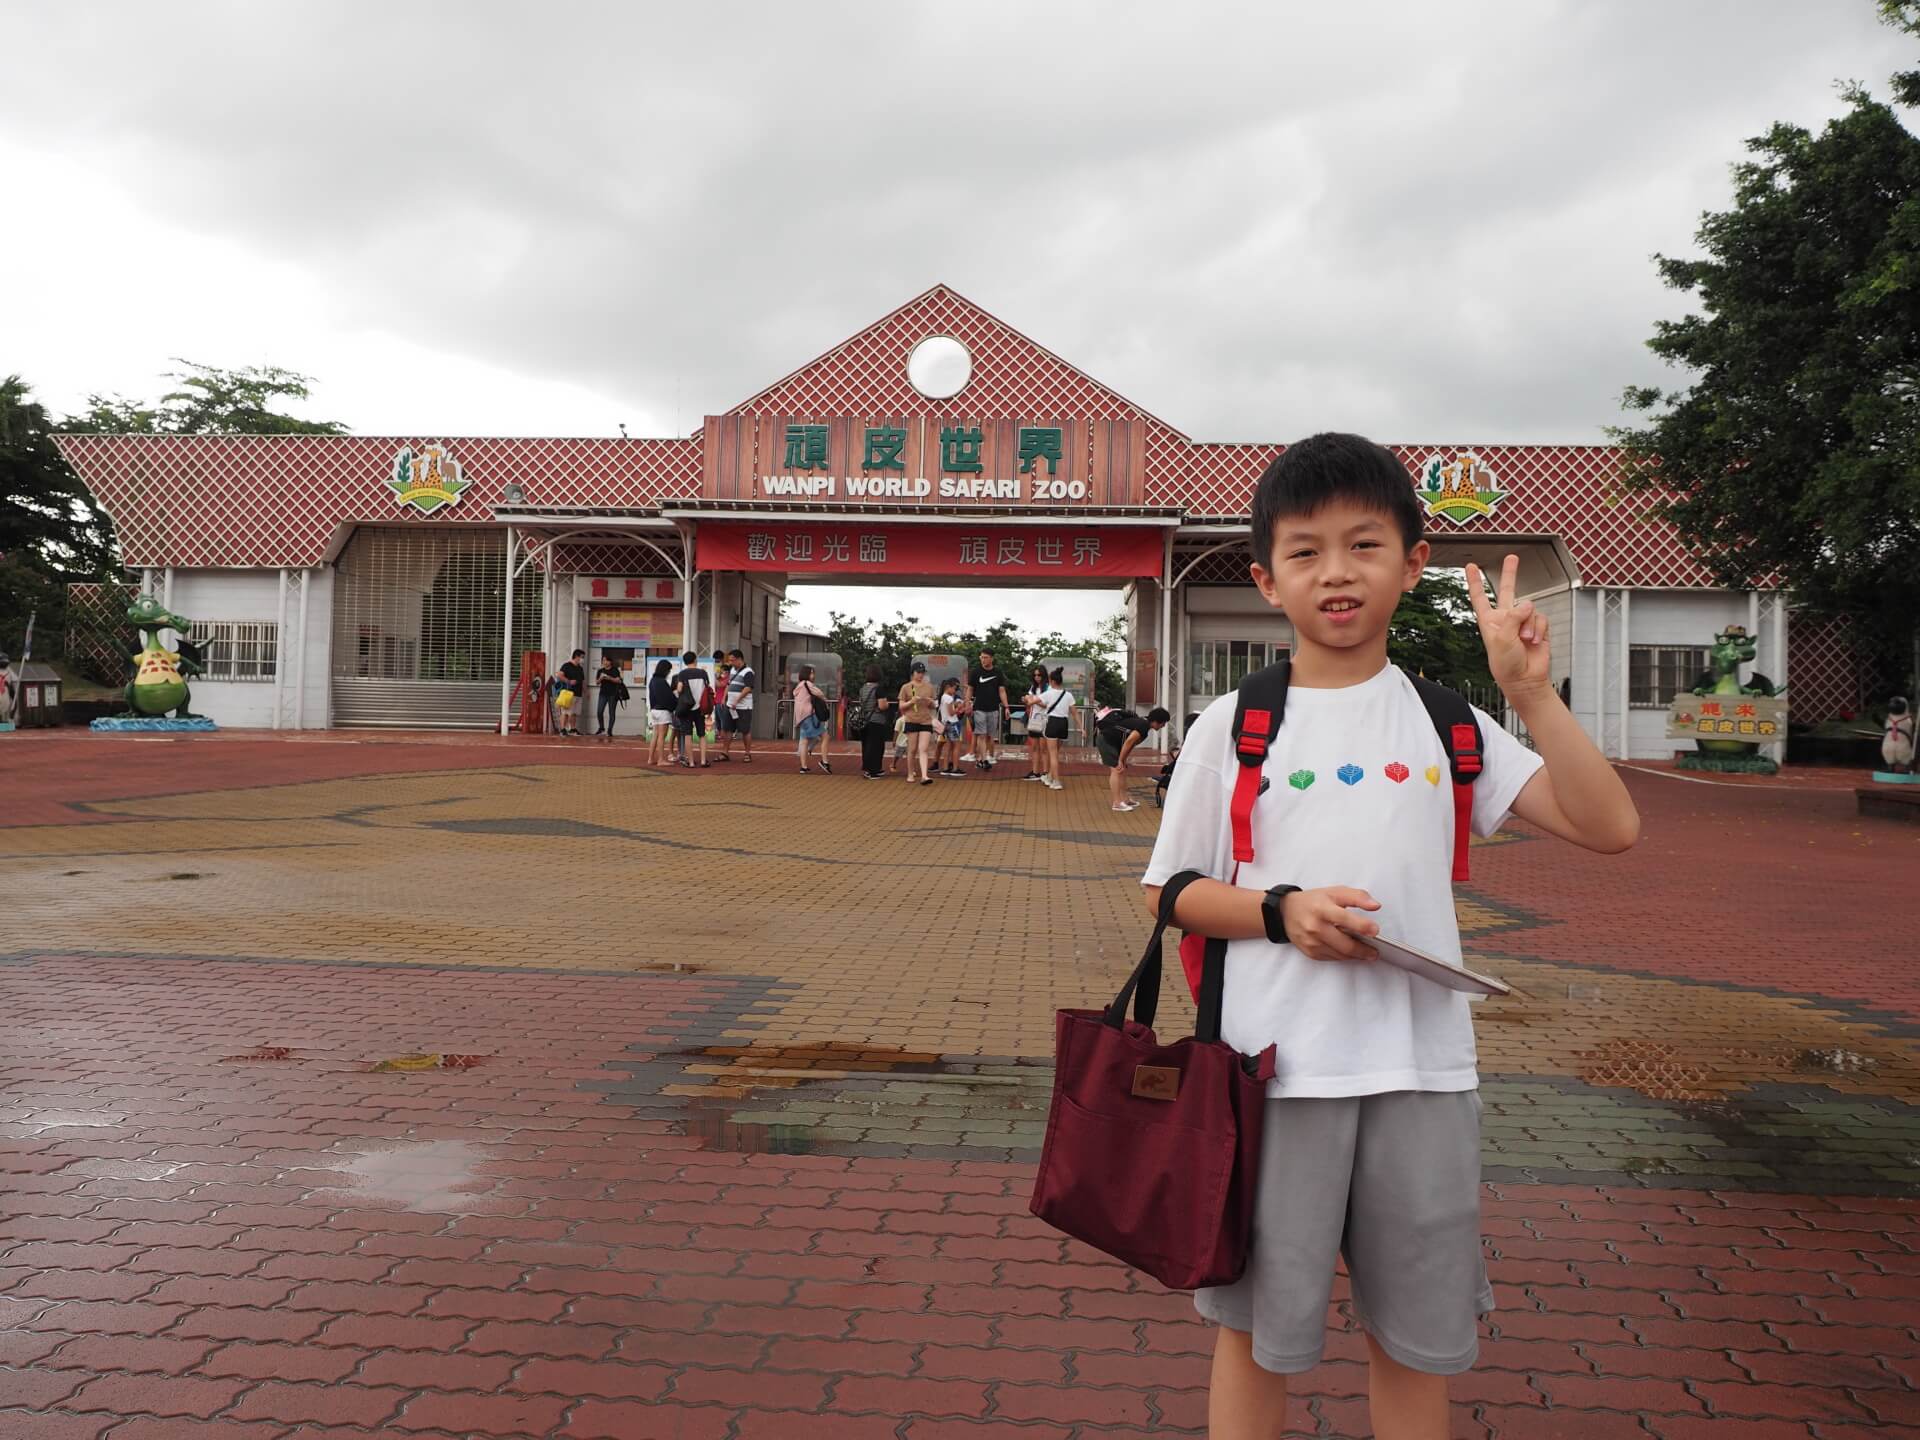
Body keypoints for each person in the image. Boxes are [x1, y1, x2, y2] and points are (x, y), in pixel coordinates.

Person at [1141, 433, 1638, 1440]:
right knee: (1252, 1330)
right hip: (1270, 1076)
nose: (1336, 572)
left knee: (1415, 1337)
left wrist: (1532, 693)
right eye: (1306, 550)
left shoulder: (1448, 722)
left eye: (1364, 545)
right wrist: (1282, 911)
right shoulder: (1234, 726)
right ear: (1266, 579)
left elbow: (1609, 826)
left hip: (1424, 1073)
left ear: (1413, 564)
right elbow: (1173, 893)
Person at [1096, 706, 1171, 811]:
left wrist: (1123, 760)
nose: (1163, 726)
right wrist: (1120, 760)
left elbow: (1130, 745)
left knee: (1122, 769)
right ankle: (1117, 803)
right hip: (1107, 741)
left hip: (1114, 743)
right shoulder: (1143, 726)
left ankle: (1125, 799)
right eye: (1163, 723)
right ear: (1156, 721)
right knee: (1116, 769)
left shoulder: (1144, 723)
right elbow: (1129, 742)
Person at [967, 649, 1009, 771]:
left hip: (993, 708)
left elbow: (1002, 690)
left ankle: (981, 759)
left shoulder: (998, 673)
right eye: (981, 657)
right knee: (981, 734)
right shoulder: (976, 672)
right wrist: (967, 704)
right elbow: (970, 689)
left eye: (985, 657)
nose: (983, 659)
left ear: (991, 658)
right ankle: (984, 759)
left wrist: (1006, 707)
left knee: (990, 735)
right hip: (979, 708)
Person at [897, 660, 937, 785]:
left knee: (923, 748)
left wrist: (930, 702)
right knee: (912, 749)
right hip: (911, 720)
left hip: (925, 721)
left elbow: (933, 705)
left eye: (922, 673)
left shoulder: (929, 687)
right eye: (918, 672)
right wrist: (911, 702)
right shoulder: (906, 687)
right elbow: (901, 706)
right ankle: (910, 773)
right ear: (913, 673)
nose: (921, 675)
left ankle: (924, 776)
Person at [671, 649, 712, 767]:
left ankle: (691, 762)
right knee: (702, 735)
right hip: (700, 708)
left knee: (688, 734)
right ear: (695, 660)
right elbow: (707, 688)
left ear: (684, 662)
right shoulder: (703, 673)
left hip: (686, 708)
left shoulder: (683, 674)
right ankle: (704, 760)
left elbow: (679, 689)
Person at [1034, 667, 1072, 791]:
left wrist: (1026, 699)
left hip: (1053, 723)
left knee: (1053, 755)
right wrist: (1082, 728)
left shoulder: (1048, 693)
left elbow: (1033, 701)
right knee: (1056, 753)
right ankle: (1050, 776)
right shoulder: (1068, 694)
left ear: (1052, 681)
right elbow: (1075, 712)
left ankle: (1056, 781)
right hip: (1064, 724)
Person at [792, 663, 833, 774]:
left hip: (801, 717)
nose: (813, 675)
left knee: (804, 741)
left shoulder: (799, 686)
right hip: (809, 716)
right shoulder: (807, 684)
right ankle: (825, 762)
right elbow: (819, 693)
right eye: (812, 673)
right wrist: (824, 699)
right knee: (825, 736)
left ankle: (804, 767)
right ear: (808, 674)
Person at [855, 664, 892, 779]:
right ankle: (873, 770)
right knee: (876, 746)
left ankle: (868, 769)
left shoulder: (863, 689)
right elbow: (882, 706)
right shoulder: (878, 689)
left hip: (864, 720)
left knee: (866, 746)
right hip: (876, 720)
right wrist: (887, 704)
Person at [723, 648, 756, 762]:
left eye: (732, 660)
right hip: (730, 705)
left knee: (745, 730)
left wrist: (737, 700)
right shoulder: (732, 670)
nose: (730, 663)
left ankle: (747, 753)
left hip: (743, 707)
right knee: (728, 729)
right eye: (730, 660)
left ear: (739, 659)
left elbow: (748, 688)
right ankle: (725, 752)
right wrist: (724, 698)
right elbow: (728, 684)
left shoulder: (748, 672)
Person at [1021, 664, 1050, 781]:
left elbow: (1046, 704)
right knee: (1034, 747)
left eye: (1039, 675)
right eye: (1035, 675)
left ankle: (1046, 772)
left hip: (1044, 719)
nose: (1037, 677)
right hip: (1033, 719)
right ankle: (1035, 771)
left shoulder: (1048, 688)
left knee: (1044, 748)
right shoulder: (1033, 687)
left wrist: (1033, 701)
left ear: (1044, 676)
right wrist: (1026, 699)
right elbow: (1029, 700)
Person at [936, 676, 968, 777]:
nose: (955, 691)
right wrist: (959, 708)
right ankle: (955, 768)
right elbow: (951, 712)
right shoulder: (949, 698)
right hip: (952, 723)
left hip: (946, 724)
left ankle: (945, 768)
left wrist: (958, 705)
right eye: (954, 688)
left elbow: (947, 709)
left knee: (948, 746)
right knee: (957, 746)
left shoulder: (943, 697)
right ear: (948, 687)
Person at [646, 659, 676, 766]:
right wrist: (674, 706)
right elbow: (668, 698)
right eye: (668, 670)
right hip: (663, 711)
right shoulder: (662, 682)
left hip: (654, 710)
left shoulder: (652, 680)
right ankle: (660, 759)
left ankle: (650, 758)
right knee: (662, 736)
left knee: (655, 735)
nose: (669, 672)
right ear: (665, 670)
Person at [555, 649, 586, 737]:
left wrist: (586, 691)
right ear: (576, 657)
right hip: (568, 693)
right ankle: (563, 729)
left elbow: (583, 681)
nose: (582, 659)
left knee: (574, 713)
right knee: (565, 712)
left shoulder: (580, 668)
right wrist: (568, 681)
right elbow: (559, 675)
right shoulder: (567, 665)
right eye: (582, 657)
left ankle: (572, 729)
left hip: (578, 693)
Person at [593, 655, 625, 741]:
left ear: (610, 662)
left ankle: (610, 730)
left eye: (606, 660)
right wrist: (600, 678)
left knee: (611, 712)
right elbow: (596, 682)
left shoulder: (614, 670)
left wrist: (608, 677)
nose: (604, 662)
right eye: (603, 660)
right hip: (603, 693)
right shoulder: (600, 670)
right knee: (599, 711)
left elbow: (618, 680)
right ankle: (601, 727)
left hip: (613, 694)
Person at [710, 654, 734, 759]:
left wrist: (714, 677)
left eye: (724, 671)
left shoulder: (728, 679)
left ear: (728, 672)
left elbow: (720, 685)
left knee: (724, 722)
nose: (723, 673)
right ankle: (720, 734)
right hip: (717, 702)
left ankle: (724, 736)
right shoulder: (720, 677)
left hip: (723, 703)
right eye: (722, 671)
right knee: (719, 721)